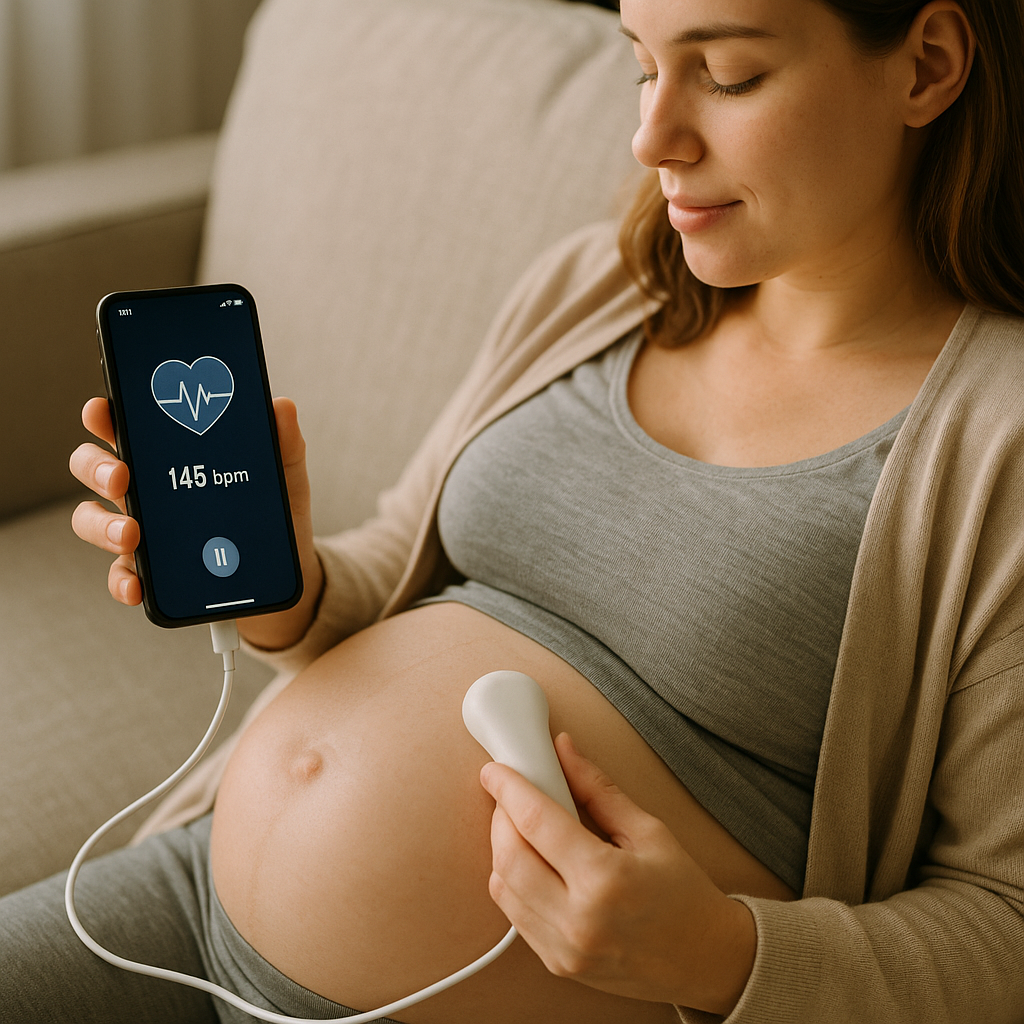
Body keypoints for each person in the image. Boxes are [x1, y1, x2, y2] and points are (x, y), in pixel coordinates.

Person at [2, 0, 1023, 1020]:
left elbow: (1004, 922)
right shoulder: (597, 286)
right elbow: (401, 564)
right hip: (190, 888)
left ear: (925, 65)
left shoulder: (996, 440)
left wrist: (719, 953)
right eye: (642, 66)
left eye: (726, 75)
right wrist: (285, 585)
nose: (650, 137)